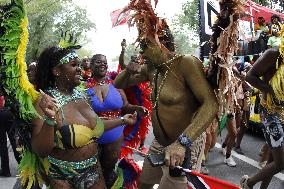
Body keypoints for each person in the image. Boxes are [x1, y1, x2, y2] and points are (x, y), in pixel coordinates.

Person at [114, 23, 218, 189]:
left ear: (160, 42)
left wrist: (182, 143)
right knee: (144, 183)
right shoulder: (152, 69)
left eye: (144, 45)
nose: (141, 51)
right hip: (159, 144)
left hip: (185, 144)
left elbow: (211, 104)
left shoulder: (186, 63)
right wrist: (127, 70)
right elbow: (117, 84)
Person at [32, 46, 137, 189]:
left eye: (79, 65)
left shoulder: (82, 95)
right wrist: (50, 121)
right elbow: (40, 150)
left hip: (93, 170)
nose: (80, 69)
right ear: (57, 71)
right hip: (63, 177)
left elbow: (94, 126)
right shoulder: (45, 101)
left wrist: (123, 120)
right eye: (74, 65)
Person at [86, 53, 147, 188]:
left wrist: (137, 108)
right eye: (98, 62)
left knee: (108, 172)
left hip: (115, 135)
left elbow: (125, 106)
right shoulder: (83, 88)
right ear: (91, 66)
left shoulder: (116, 85)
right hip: (91, 136)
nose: (102, 64)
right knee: (93, 173)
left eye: (104, 62)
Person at [241, 47, 284, 188]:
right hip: (270, 113)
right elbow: (249, 76)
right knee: (281, 162)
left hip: (282, 113)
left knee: (273, 159)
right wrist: (271, 91)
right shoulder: (274, 54)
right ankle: (248, 183)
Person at [0, 97, 21, 177]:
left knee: (2, 144)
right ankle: (23, 165)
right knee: (14, 141)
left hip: (1, 113)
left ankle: (5, 170)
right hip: (10, 112)